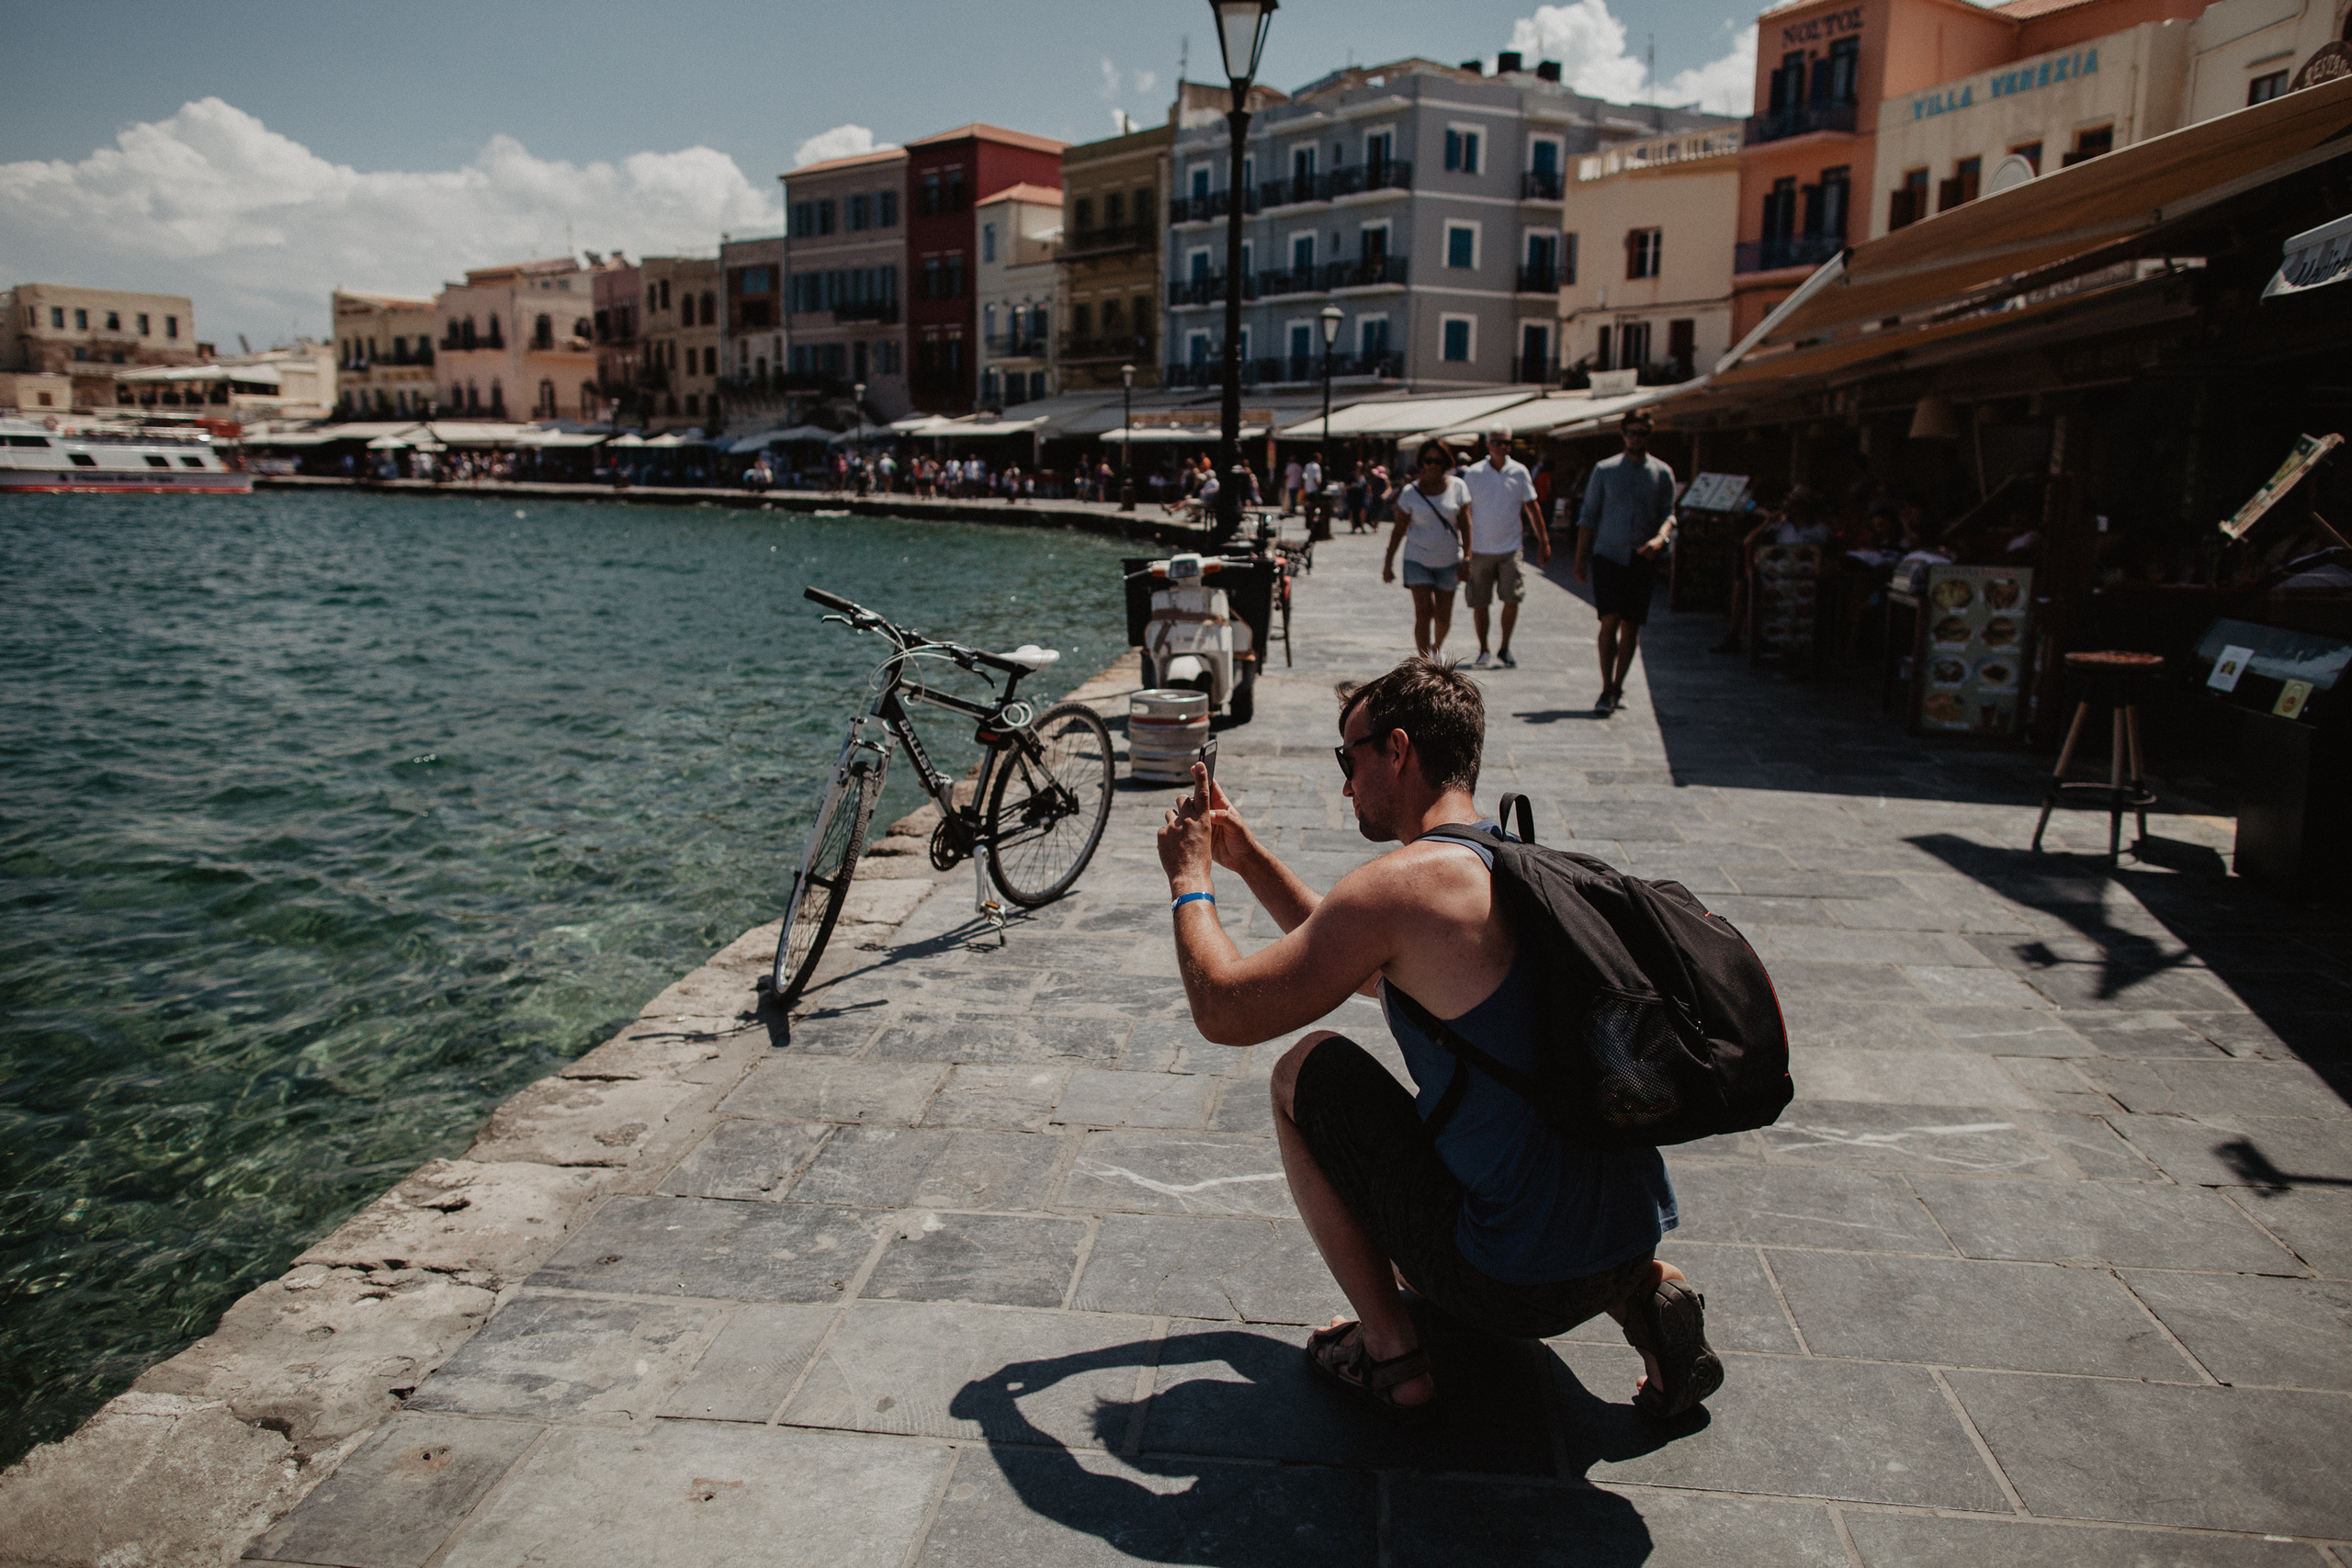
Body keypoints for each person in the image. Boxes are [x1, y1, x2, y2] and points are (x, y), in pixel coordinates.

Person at [1153, 660, 1714, 1418]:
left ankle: (1394, 1352)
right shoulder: (1514, 865)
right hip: (1626, 1241)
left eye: (1348, 758)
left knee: (1303, 1071)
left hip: (1513, 1282)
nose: (1346, 783)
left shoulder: (1398, 886)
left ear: (1398, 750)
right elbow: (1357, 966)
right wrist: (1248, 859)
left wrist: (1192, 880)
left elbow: (1222, 1011)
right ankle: (1646, 1298)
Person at [1574, 412, 1678, 714]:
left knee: (1631, 626)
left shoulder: (1662, 473)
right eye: (1631, 432)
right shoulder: (1604, 471)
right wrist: (1580, 560)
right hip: (1608, 555)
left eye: (1642, 432)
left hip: (1641, 557)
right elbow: (1588, 516)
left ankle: (1618, 686)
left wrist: (1662, 538)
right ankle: (1606, 686)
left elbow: (1668, 514)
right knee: (1609, 620)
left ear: (1650, 434)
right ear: (1623, 434)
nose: (1636, 438)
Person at [1459, 430, 1550, 669]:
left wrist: (1544, 541)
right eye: (1497, 443)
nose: (1502, 447)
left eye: (1507, 443)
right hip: (1480, 548)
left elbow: (1532, 507)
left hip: (1510, 547)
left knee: (1512, 598)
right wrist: (1464, 549)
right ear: (1488, 444)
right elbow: (1464, 512)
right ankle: (1484, 649)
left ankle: (1505, 647)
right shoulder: (1474, 473)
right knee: (1480, 601)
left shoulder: (1519, 472)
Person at [1383, 439, 1473, 659]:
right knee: (1423, 612)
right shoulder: (1410, 492)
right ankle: (1424, 662)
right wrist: (1388, 562)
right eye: (1428, 460)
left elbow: (1466, 524)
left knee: (1443, 617)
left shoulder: (1458, 487)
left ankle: (1436, 648)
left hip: (1449, 560)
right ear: (1421, 462)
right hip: (1417, 559)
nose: (1433, 465)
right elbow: (1398, 530)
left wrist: (1468, 557)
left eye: (1437, 460)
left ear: (1445, 462)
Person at [1713, 489, 1830, 656]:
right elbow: (1748, 542)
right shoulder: (1781, 526)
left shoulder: (1818, 530)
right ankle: (1734, 636)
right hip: (1778, 576)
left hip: (1807, 579)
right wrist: (1766, 523)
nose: (1787, 506)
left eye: (1793, 502)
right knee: (1742, 585)